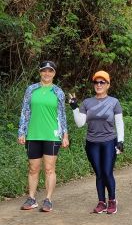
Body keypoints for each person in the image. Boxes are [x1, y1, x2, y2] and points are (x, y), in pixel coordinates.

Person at [68, 70, 124, 214]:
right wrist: (74, 107)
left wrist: (121, 141)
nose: (98, 85)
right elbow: (80, 123)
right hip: (92, 142)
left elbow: (119, 123)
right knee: (99, 173)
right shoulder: (87, 102)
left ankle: (112, 200)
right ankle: (101, 202)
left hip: (109, 141)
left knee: (107, 172)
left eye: (102, 82)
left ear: (108, 85)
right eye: (96, 82)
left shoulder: (114, 102)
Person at [18, 61, 69, 212]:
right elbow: (25, 111)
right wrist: (22, 132)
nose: (47, 74)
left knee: (49, 168)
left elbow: (62, 115)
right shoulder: (31, 89)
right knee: (33, 168)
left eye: (50, 71)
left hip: (52, 135)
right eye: (44, 71)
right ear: (40, 72)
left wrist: (65, 135)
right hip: (33, 134)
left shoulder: (58, 92)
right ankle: (32, 198)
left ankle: (48, 199)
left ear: (54, 73)